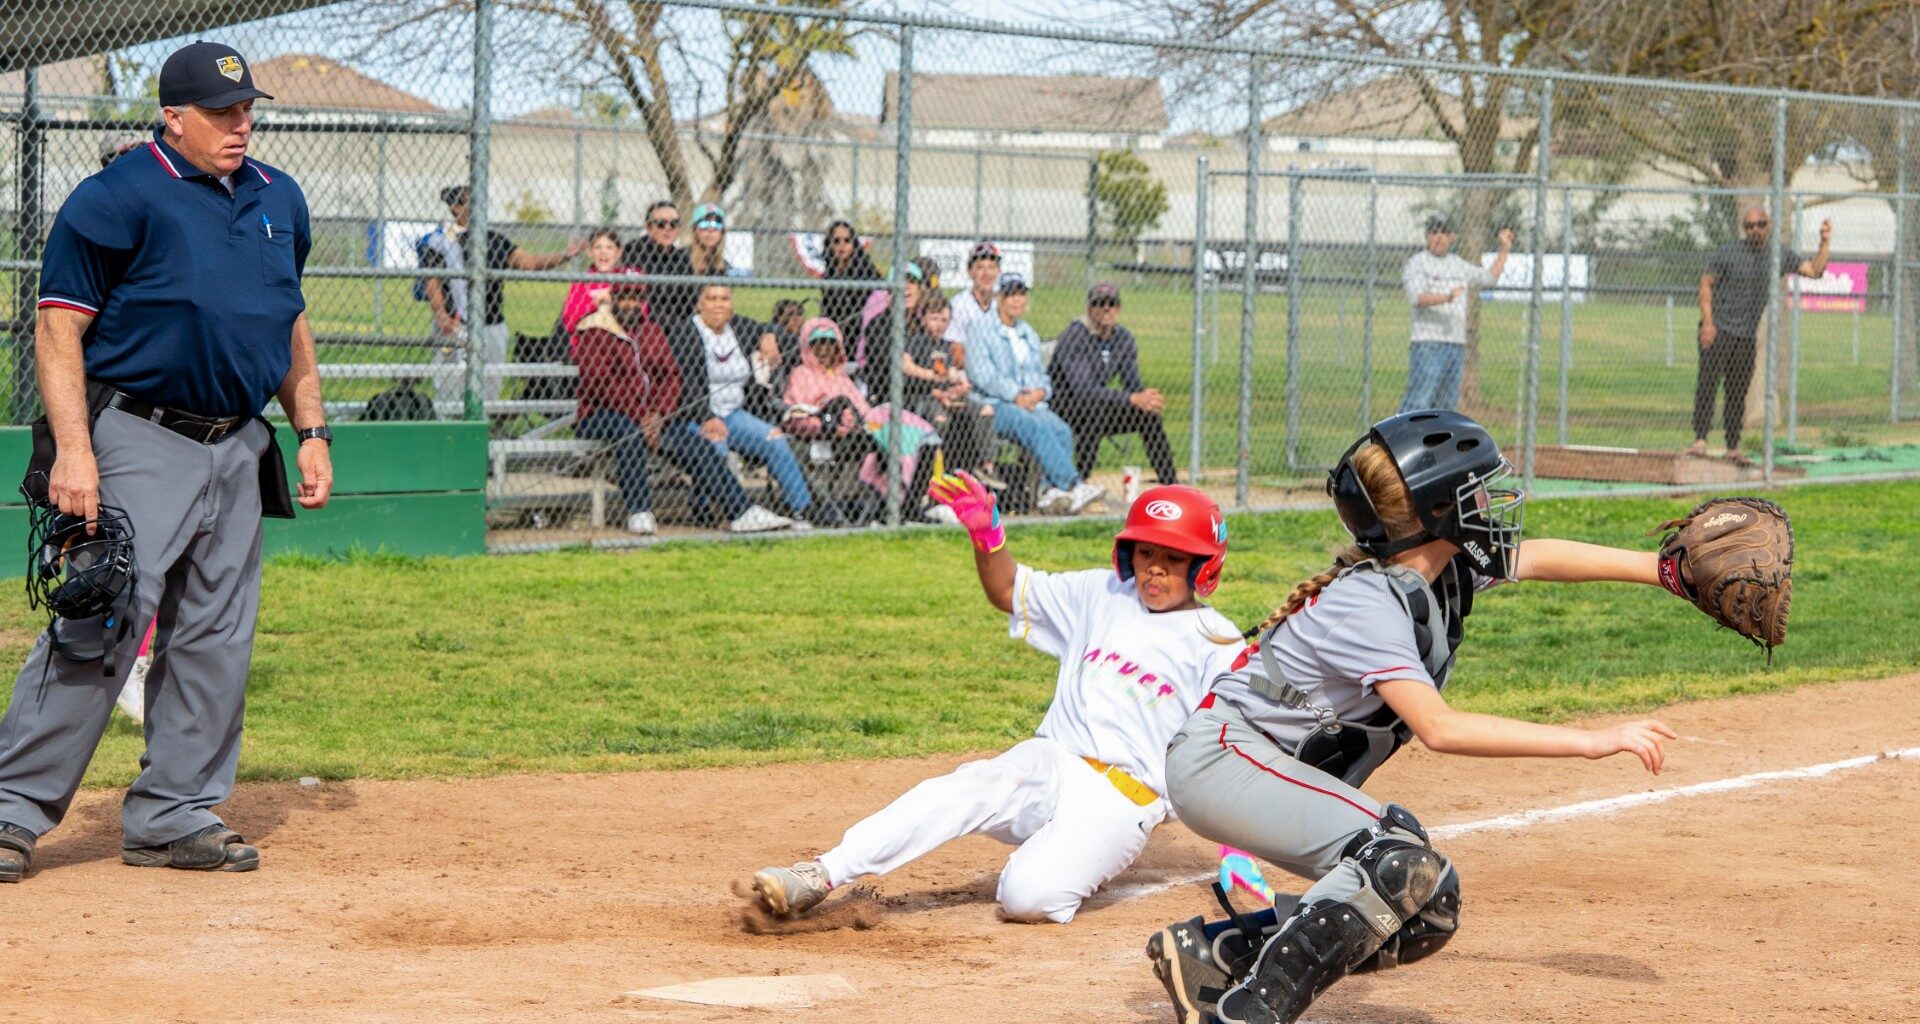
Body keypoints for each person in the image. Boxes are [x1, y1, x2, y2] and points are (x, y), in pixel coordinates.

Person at [1142, 410, 1690, 1024]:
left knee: (1427, 903)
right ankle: (1248, 1013)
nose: (1491, 502)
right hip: (1221, 761)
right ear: (1438, 513)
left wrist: (1663, 571)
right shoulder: (1369, 604)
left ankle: (1217, 958)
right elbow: (1440, 728)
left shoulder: (1431, 572)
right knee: (1394, 860)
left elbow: (1532, 557)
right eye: (1475, 492)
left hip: (1251, 766)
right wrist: (1595, 741)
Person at [0, 41, 334, 883]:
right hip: (139, 435)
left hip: (239, 442)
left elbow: (288, 322)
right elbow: (57, 330)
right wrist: (75, 451)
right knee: (99, 618)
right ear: (172, 116)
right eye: (222, 113)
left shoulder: (278, 198)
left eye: (247, 110)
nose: (239, 124)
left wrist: (313, 429)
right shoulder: (116, 198)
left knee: (217, 636)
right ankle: (9, 810)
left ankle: (174, 813)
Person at [748, 478, 1237, 924]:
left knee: (1027, 900)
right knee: (970, 785)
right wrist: (989, 537)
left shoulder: (1217, 643)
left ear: (1203, 567)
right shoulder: (1101, 591)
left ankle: (1063, 851)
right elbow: (1007, 589)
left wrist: (1236, 837)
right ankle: (819, 874)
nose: (1154, 568)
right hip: (1053, 759)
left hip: (1123, 798)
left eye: (1174, 558)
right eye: (1145, 551)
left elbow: (1236, 743)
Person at [574, 283, 789, 535]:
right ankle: (639, 511)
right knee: (628, 432)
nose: (631, 304)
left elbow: (670, 377)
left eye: (636, 298)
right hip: (602, 415)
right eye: (624, 298)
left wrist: (660, 414)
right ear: (613, 300)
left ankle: (741, 512)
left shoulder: (651, 331)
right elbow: (600, 385)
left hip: (654, 417)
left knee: (699, 446)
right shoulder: (595, 330)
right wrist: (641, 416)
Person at [419, 184, 585, 403]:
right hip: (454, 324)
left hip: (491, 323)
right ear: (454, 208)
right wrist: (441, 314)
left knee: (489, 388)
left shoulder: (494, 239)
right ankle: (450, 432)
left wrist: (564, 256)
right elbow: (433, 282)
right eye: (468, 202)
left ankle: (483, 430)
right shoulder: (441, 241)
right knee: (450, 388)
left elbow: (528, 262)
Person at [1693, 208, 1832, 466]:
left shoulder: (1779, 255)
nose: (1754, 230)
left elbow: (1814, 271)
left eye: (1759, 225)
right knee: (1708, 385)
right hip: (1719, 330)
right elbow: (1706, 283)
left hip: (1746, 336)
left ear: (1769, 225)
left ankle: (1732, 447)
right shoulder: (1728, 253)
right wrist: (1708, 324)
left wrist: (1824, 242)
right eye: (1749, 226)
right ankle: (1700, 440)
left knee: (1737, 391)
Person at [668, 283, 815, 527]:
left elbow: (773, 329)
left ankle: (801, 508)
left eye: (724, 298)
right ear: (699, 304)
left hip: (734, 414)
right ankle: (706, 509)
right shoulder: (686, 331)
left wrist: (768, 336)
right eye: (712, 298)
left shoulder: (739, 327)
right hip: (696, 415)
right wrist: (707, 417)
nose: (718, 304)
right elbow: (687, 382)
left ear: (732, 305)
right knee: (716, 446)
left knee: (775, 439)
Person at [966, 274, 1103, 515]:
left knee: (1061, 430)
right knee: (1032, 425)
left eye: (1021, 294)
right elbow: (981, 375)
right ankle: (1072, 484)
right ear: (999, 298)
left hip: (1030, 405)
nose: (1017, 300)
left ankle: (1050, 494)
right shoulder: (981, 329)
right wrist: (1015, 395)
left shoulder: (1027, 332)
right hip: (994, 404)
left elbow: (1041, 374)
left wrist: (1041, 392)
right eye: (1010, 294)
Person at [1050, 283, 1178, 486]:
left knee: (1148, 415)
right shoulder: (1075, 336)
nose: (1106, 308)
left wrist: (1144, 399)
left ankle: (1171, 483)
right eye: (1099, 304)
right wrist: (1131, 398)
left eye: (1111, 303)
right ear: (1089, 308)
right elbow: (1084, 391)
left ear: (1118, 309)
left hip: (1096, 405)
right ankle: (1080, 483)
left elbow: (1132, 384)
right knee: (1094, 410)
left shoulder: (1123, 339)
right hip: (1062, 406)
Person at [1397, 215, 1512, 413]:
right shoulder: (1417, 264)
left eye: (1445, 232)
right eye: (1434, 232)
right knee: (1419, 401)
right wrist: (1446, 298)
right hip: (1428, 343)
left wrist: (1504, 248)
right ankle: (1401, 441)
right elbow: (1417, 297)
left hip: (1455, 344)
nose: (1439, 237)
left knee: (1447, 406)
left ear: (1452, 237)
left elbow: (1489, 278)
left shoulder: (1457, 264)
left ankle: (1438, 444)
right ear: (1426, 236)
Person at [906, 293, 1000, 490]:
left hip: (947, 397)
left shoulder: (946, 346)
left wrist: (958, 388)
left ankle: (986, 467)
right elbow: (907, 368)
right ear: (923, 318)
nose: (939, 324)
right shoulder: (915, 341)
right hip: (925, 397)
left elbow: (951, 376)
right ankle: (932, 473)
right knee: (941, 420)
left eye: (944, 320)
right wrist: (935, 382)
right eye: (934, 318)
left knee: (985, 410)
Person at [559, 228, 642, 347]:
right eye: (598, 247)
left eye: (609, 247)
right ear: (590, 252)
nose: (603, 252)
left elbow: (642, 309)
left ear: (618, 252)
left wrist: (614, 297)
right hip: (589, 345)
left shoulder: (627, 276)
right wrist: (594, 303)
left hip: (624, 342)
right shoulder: (582, 281)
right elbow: (570, 320)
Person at [623, 200, 698, 330]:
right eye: (661, 224)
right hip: (644, 325)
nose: (668, 228)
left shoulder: (681, 258)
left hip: (680, 327)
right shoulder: (634, 251)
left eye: (674, 224)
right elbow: (641, 299)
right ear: (648, 227)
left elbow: (690, 301)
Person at [819, 218, 882, 340]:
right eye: (836, 241)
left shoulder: (864, 268)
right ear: (829, 245)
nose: (841, 245)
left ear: (854, 244)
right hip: (837, 326)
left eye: (847, 240)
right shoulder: (829, 273)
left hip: (864, 326)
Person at [944, 241, 1001, 355]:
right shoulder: (959, 304)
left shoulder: (1002, 303)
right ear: (970, 272)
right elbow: (956, 354)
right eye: (980, 267)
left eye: (992, 267)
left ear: (999, 272)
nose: (987, 273)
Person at [688, 203, 731, 278]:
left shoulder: (725, 267)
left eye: (717, 224)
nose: (711, 230)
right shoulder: (680, 259)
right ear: (695, 230)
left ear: (722, 232)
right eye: (704, 224)